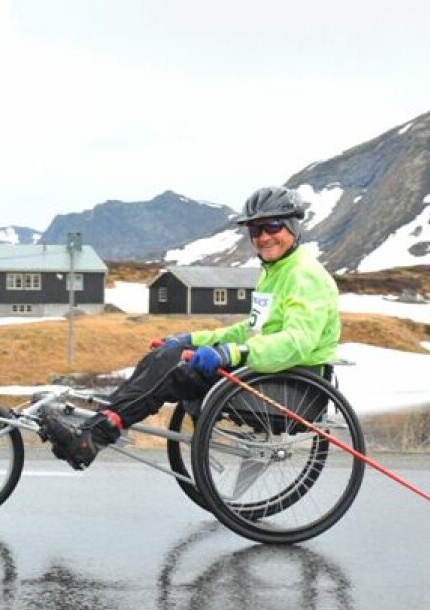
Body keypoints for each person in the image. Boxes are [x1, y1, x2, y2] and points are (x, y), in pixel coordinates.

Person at [41, 186, 342, 470]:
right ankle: (98, 426)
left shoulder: (305, 275)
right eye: (255, 229)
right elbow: (251, 330)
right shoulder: (274, 272)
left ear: (293, 226)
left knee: (174, 369)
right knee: (163, 356)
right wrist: (190, 339)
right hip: (267, 373)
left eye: (272, 226)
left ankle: (93, 438)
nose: (263, 237)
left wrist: (232, 354)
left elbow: (296, 342)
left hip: (291, 387)